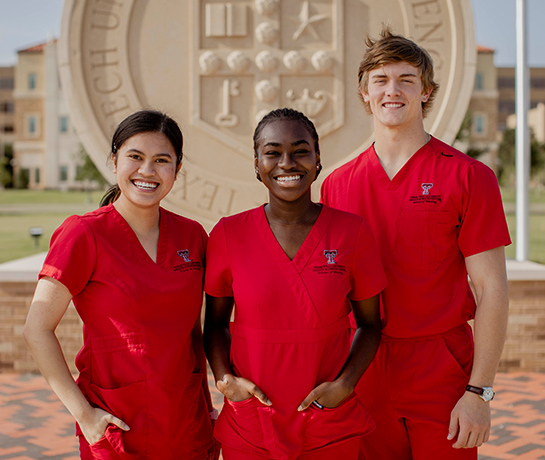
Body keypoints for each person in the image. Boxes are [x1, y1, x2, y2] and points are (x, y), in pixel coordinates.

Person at [320, 27, 511, 460]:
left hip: (439, 366)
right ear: (364, 93)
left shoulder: (468, 177)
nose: (393, 91)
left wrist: (479, 391)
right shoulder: (336, 184)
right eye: (380, 80)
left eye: (406, 80)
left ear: (426, 92)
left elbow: (491, 289)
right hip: (361, 366)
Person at [23, 110, 217, 460]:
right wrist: (84, 415)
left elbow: (192, 332)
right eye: (135, 157)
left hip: (185, 423)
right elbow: (37, 329)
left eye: (162, 160)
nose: (147, 171)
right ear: (114, 160)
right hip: (116, 426)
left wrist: (205, 404)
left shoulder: (192, 235)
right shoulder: (84, 234)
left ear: (178, 167)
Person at [203, 108, 387, 460]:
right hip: (252, 421)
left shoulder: (353, 233)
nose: (287, 162)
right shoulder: (228, 233)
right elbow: (214, 324)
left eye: (300, 150)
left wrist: (345, 385)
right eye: (272, 152)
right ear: (257, 164)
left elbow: (370, 324)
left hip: (326, 417)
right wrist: (225, 378)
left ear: (317, 161)